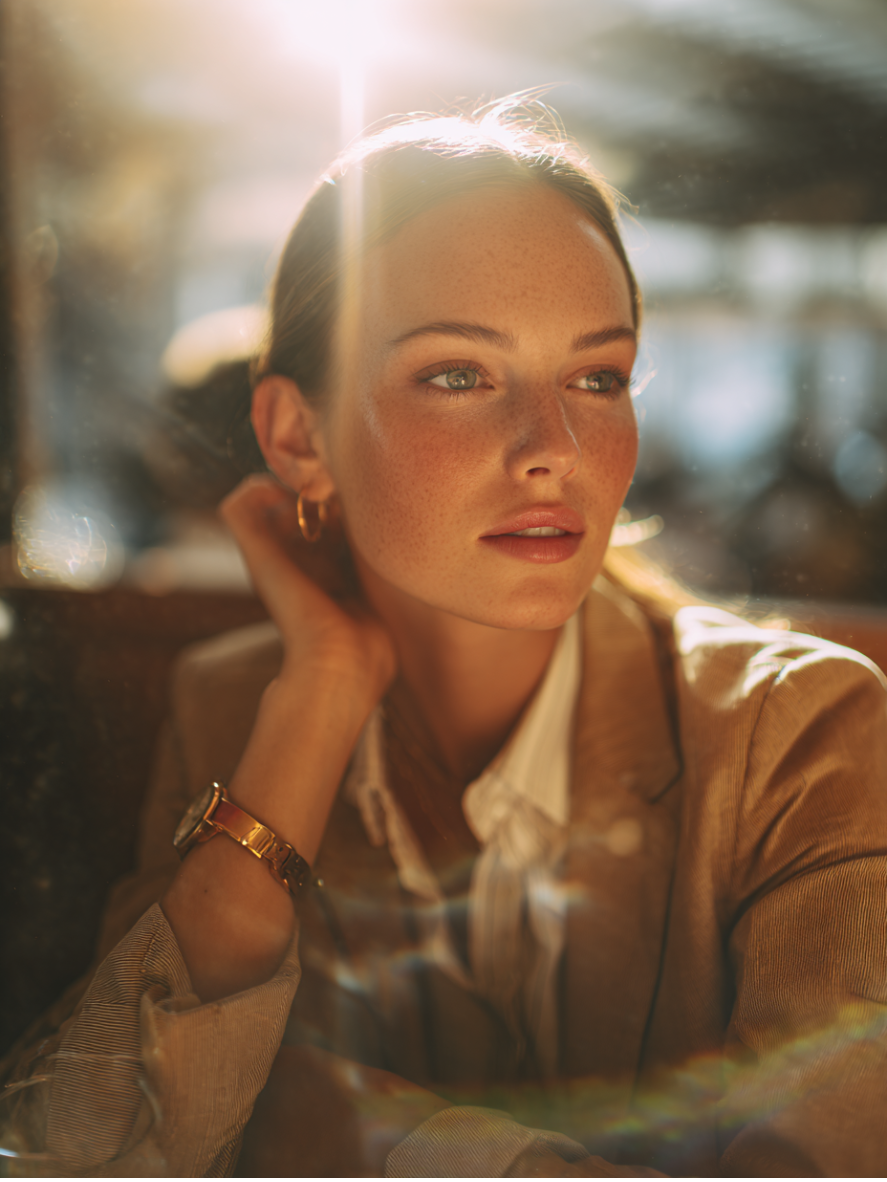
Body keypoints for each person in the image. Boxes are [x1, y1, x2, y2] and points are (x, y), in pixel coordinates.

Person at [2, 100, 886, 1178]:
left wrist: (379, 1140)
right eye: (459, 374)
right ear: (296, 435)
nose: (551, 449)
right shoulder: (236, 708)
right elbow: (92, 1150)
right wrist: (321, 691)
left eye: (595, 377)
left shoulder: (800, 732)